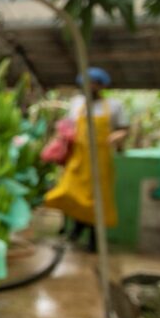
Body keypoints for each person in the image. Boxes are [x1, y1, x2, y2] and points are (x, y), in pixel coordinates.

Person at [44, 67, 129, 251]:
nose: (89, 87)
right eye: (86, 83)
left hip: (101, 159)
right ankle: (75, 229)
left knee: (97, 199)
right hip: (79, 157)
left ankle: (93, 239)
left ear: (102, 85)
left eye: (93, 83)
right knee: (70, 192)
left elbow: (124, 129)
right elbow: (67, 128)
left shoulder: (114, 106)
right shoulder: (77, 104)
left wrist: (117, 137)